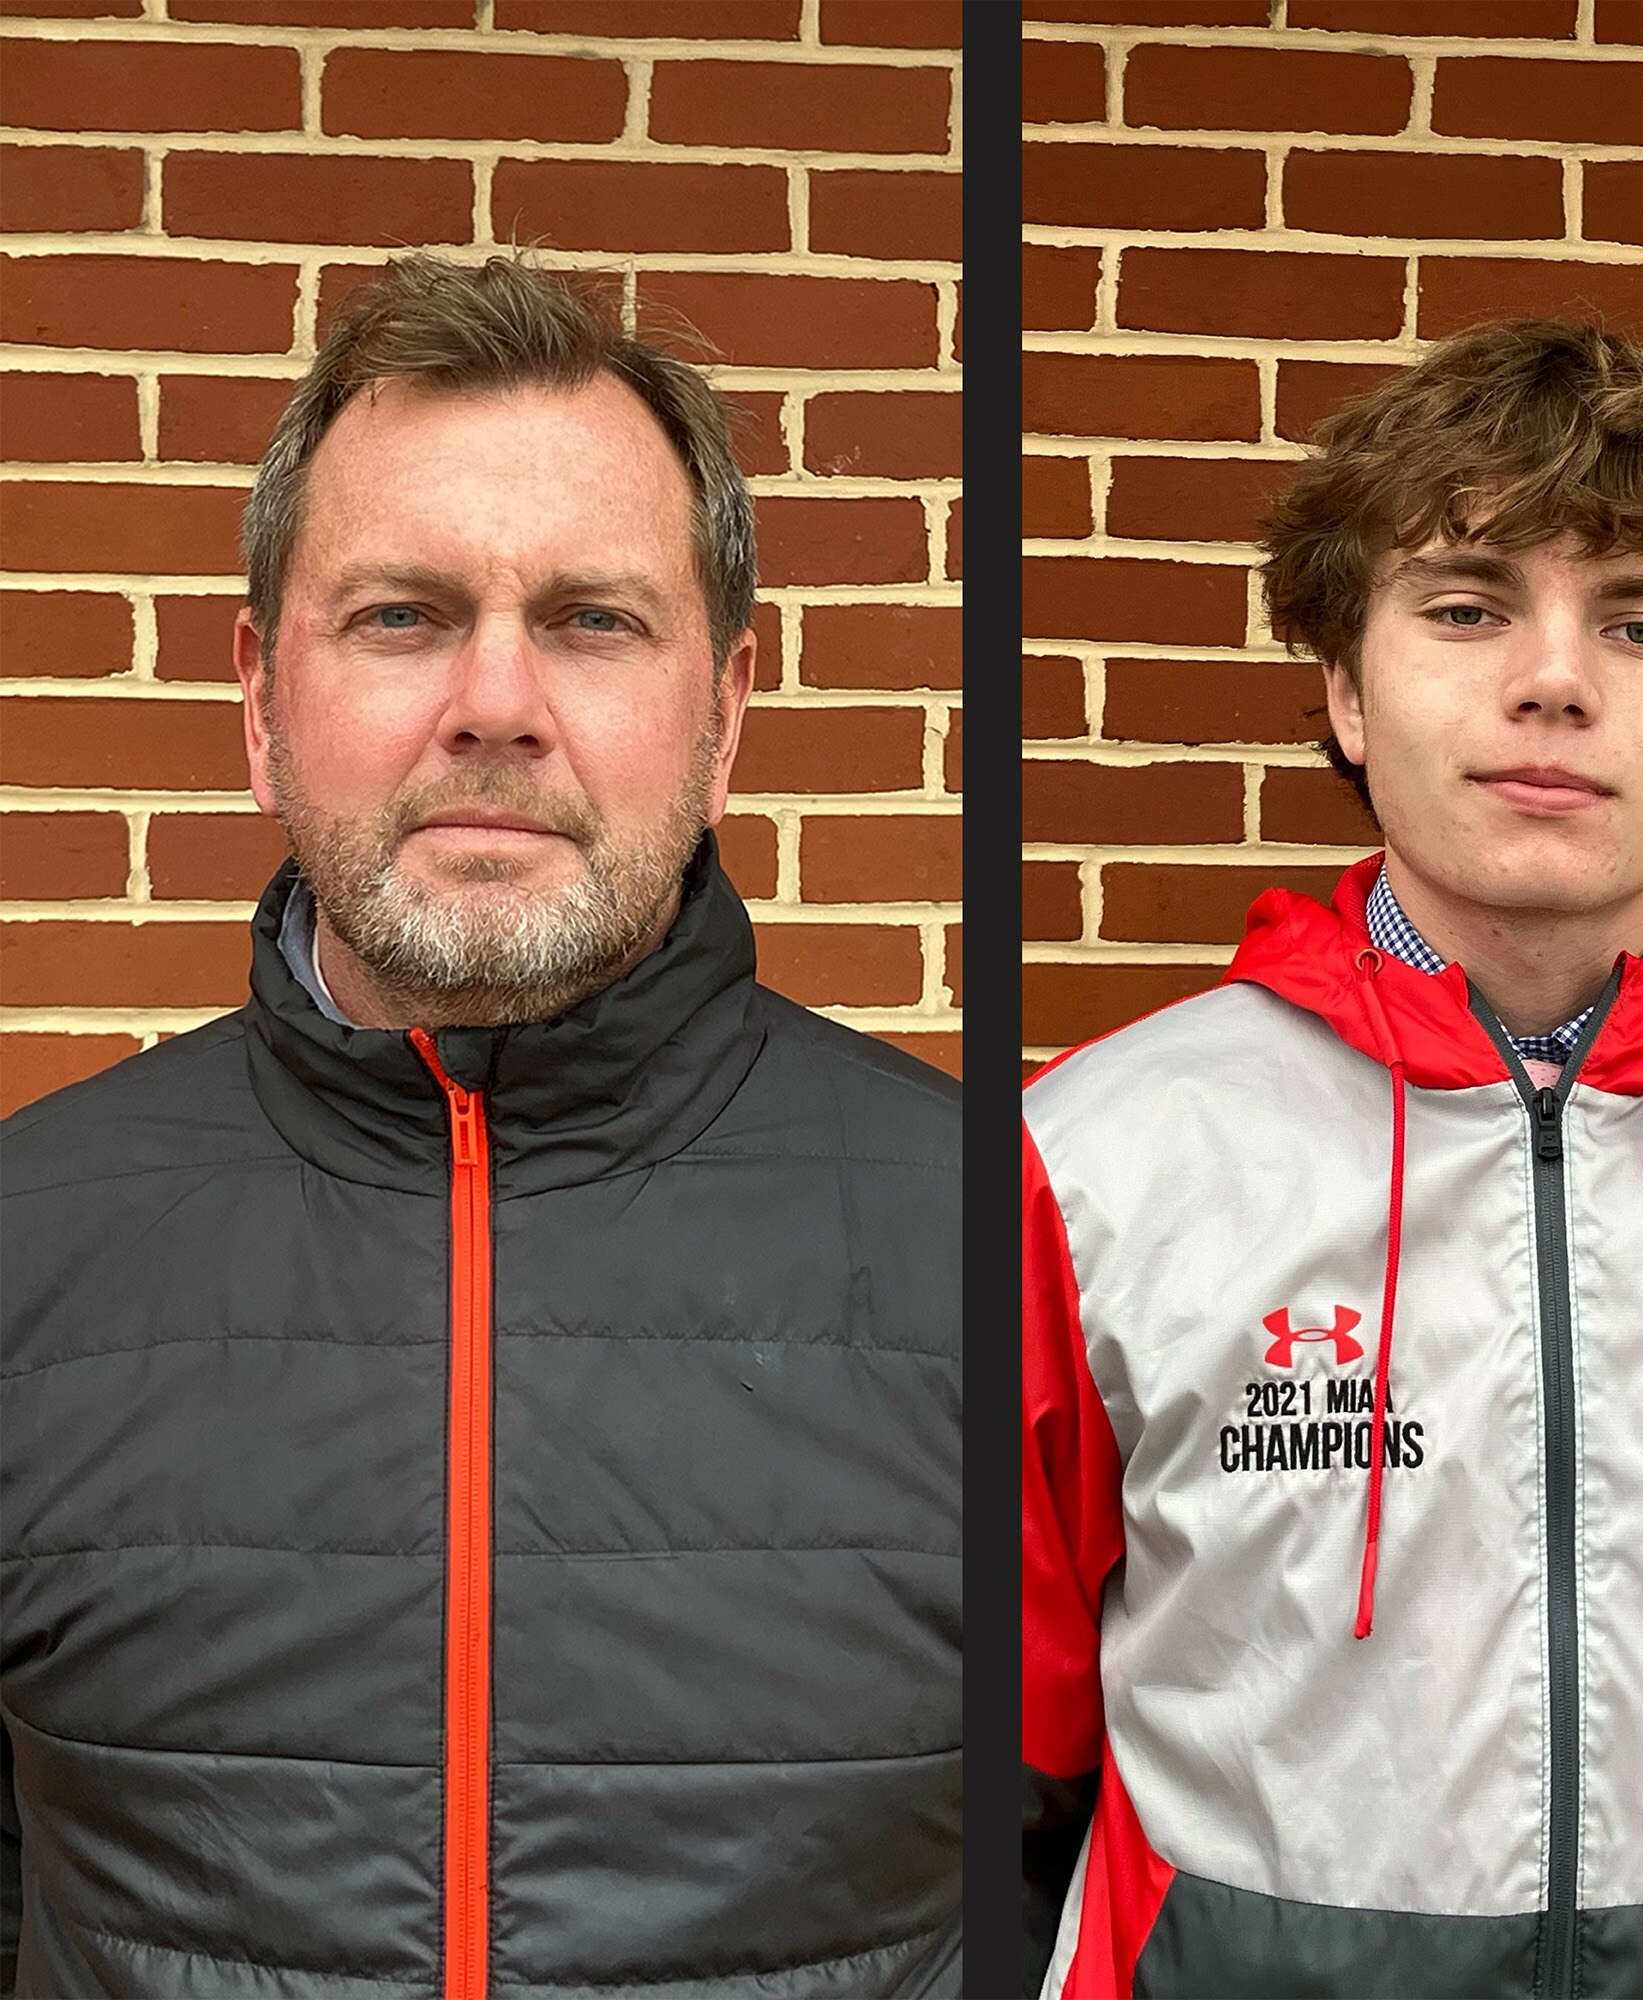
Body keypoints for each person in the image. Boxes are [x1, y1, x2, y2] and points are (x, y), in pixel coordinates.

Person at [0, 254, 961, 1997]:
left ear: (729, 708)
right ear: (256, 694)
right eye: (402, 615)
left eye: (595, 619)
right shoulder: (24, 1240)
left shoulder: (993, 1232)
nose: (498, 701)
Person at [1022, 319, 1643, 1999]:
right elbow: (1009, 1756)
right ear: (1345, 686)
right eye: (1467, 605)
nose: (1554, 680)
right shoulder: (1093, 1169)